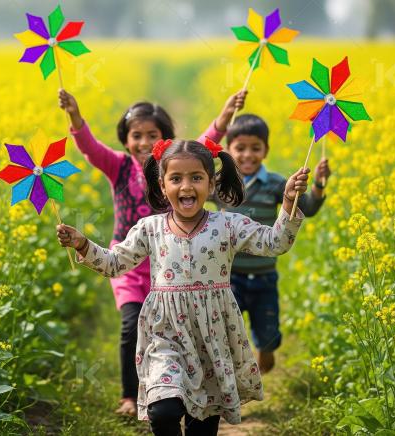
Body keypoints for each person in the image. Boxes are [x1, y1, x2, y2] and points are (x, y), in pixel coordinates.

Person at [56, 138, 309, 434]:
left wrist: (289, 202)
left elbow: (275, 242)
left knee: (202, 426)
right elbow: (114, 264)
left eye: (196, 178)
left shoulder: (228, 225)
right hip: (165, 335)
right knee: (162, 411)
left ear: (211, 185)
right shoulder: (149, 229)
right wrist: (83, 244)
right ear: (163, 186)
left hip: (211, 338)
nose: (186, 187)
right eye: (176, 178)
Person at [58, 89, 245, 416]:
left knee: (172, 330)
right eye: (136, 135)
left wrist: (225, 115)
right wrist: (74, 115)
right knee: (131, 326)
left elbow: (204, 144)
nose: (144, 142)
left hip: (171, 260)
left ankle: (181, 386)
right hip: (129, 263)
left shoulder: (174, 167)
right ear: (125, 139)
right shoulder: (117, 166)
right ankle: (130, 395)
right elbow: (89, 148)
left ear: (164, 138)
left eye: (152, 135)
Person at [222, 114, 331, 373]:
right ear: (228, 150)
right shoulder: (221, 182)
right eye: (240, 148)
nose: (248, 155)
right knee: (225, 333)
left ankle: (265, 349)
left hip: (264, 276)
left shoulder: (275, 184)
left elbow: (308, 209)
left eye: (255, 148)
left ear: (266, 150)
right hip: (229, 276)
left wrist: (317, 184)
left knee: (268, 335)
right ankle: (232, 377)